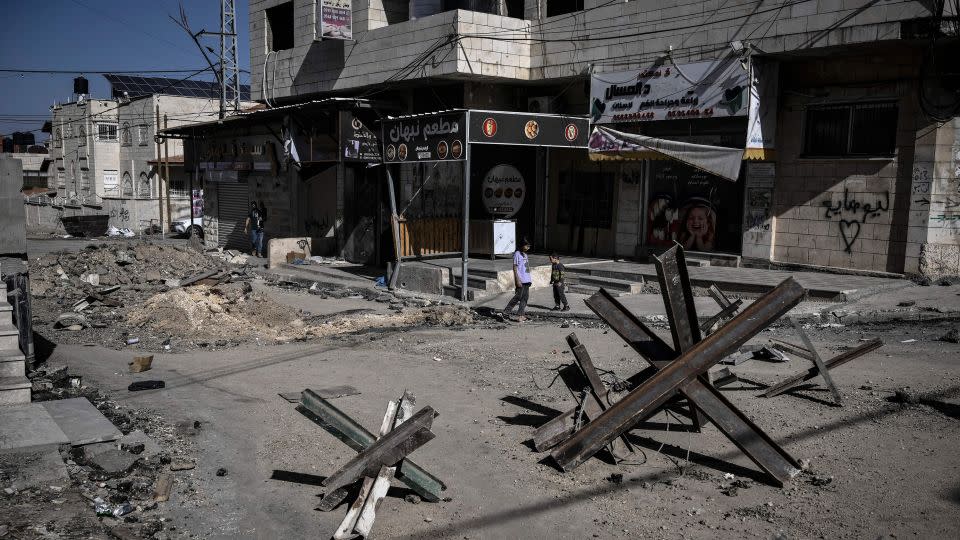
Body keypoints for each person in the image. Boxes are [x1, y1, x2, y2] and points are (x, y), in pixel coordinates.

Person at [502, 237, 533, 322]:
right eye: (527, 246)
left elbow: (526, 268)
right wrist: (517, 280)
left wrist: (529, 279)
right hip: (521, 280)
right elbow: (515, 267)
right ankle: (506, 312)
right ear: (522, 245)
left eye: (529, 246)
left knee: (525, 298)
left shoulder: (525, 255)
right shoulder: (517, 254)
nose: (528, 248)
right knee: (518, 296)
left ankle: (521, 315)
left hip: (527, 280)